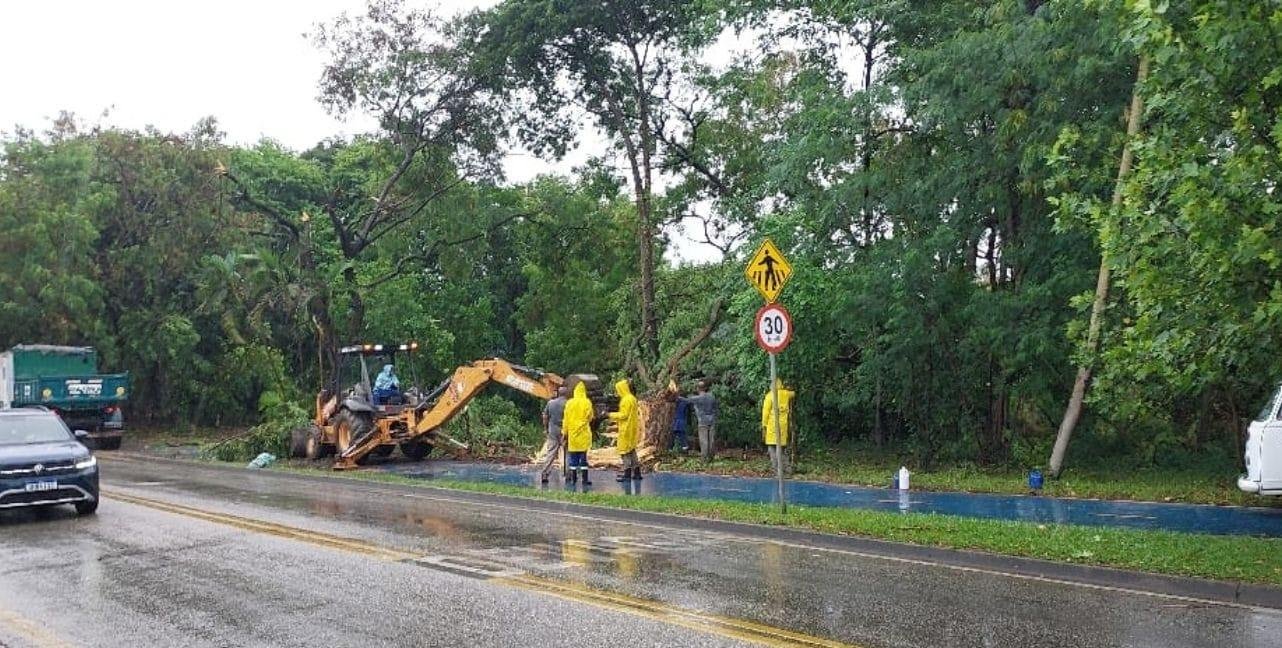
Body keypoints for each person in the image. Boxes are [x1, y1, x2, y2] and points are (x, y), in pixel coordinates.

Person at [562, 382, 594, 485]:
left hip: (573, 435)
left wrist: (564, 433)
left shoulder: (569, 403)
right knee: (583, 459)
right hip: (583, 434)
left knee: (573, 458)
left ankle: (574, 479)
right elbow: (590, 417)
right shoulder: (587, 402)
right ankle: (584, 480)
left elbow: (565, 420)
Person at [610, 379, 641, 482]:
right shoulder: (632, 398)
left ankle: (627, 474)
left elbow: (624, 415)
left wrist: (609, 415)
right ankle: (637, 473)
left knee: (624, 451)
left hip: (626, 429)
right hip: (632, 428)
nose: (617, 392)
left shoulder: (626, 400)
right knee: (631, 450)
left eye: (618, 390)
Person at [761, 379, 795, 475]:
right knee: (781, 450)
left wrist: (764, 426)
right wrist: (789, 388)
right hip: (783, 427)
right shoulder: (786, 394)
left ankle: (777, 471)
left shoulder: (769, 396)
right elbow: (793, 394)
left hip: (772, 426)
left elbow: (765, 413)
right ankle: (787, 469)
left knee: (772, 450)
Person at [538, 386, 569, 484]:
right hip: (566, 431)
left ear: (558, 393)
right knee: (567, 453)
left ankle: (545, 473)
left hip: (553, 430)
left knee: (551, 452)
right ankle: (568, 475)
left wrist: (546, 428)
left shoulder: (550, 403)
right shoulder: (569, 404)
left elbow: (545, 417)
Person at [686, 381, 718, 462]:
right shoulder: (712, 397)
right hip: (712, 421)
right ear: (705, 388)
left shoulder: (697, 398)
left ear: (698, 389)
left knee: (704, 441)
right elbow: (715, 408)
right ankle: (711, 457)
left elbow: (686, 400)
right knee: (711, 440)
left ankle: (704, 459)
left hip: (702, 421)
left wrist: (676, 396)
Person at [670, 387, 691, 453]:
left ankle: (683, 448)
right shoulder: (683, 402)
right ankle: (672, 448)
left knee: (679, 434)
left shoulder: (683, 403)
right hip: (679, 420)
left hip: (680, 420)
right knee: (677, 435)